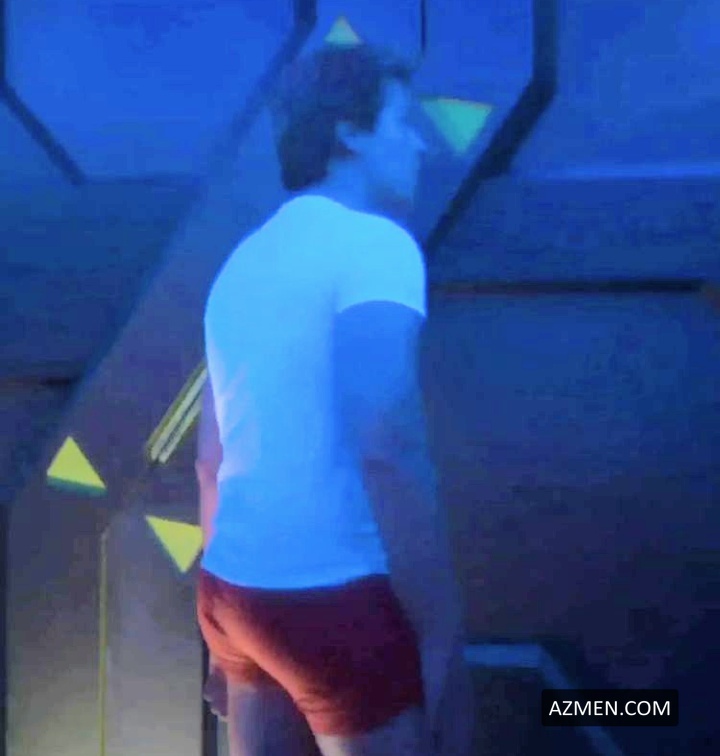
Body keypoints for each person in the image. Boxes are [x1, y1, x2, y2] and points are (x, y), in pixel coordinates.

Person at [195, 43, 476, 756]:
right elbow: (385, 442)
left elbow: (209, 462)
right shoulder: (375, 245)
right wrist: (441, 632)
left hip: (233, 591)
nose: (420, 144)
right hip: (333, 598)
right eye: (401, 122)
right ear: (349, 133)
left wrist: (218, 631)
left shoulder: (244, 261)